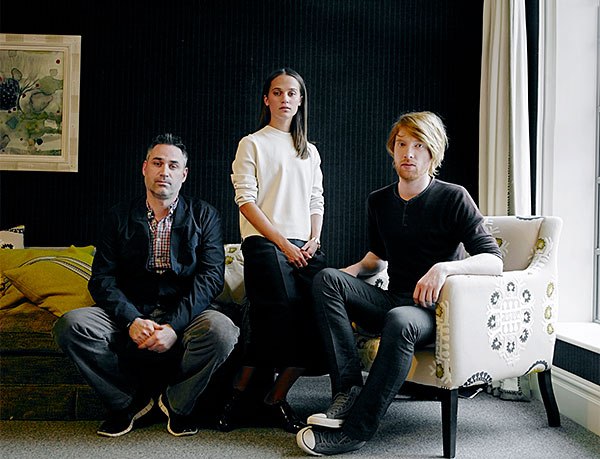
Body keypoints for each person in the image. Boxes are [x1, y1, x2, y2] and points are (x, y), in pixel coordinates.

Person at [296, 111, 503, 455]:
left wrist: (444, 269)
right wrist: (340, 277)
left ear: (433, 153)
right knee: (327, 279)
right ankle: (348, 392)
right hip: (392, 298)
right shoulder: (379, 201)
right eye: (402, 144)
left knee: (400, 319)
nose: (409, 153)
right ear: (392, 150)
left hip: (429, 311)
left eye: (419, 145)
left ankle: (356, 431)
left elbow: (494, 260)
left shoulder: (454, 197)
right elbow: (376, 259)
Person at [53, 133, 240, 438]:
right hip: (131, 308)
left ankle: (177, 403)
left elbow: (210, 279)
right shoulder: (118, 216)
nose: (164, 171)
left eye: (173, 165)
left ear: (184, 174)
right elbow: (101, 279)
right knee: (71, 325)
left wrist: (174, 326)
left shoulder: (205, 215)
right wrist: (131, 320)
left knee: (223, 331)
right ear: (144, 168)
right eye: (157, 163)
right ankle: (128, 402)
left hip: (186, 311)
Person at [217, 68, 327, 434]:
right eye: (277, 92)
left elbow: (316, 200)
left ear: (300, 100)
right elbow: (245, 201)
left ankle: (274, 398)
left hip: (304, 246)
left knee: (321, 318)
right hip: (265, 245)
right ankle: (237, 398)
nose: (285, 98)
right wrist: (282, 243)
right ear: (267, 100)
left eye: (292, 93)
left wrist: (314, 239)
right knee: (278, 317)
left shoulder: (310, 152)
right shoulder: (252, 143)